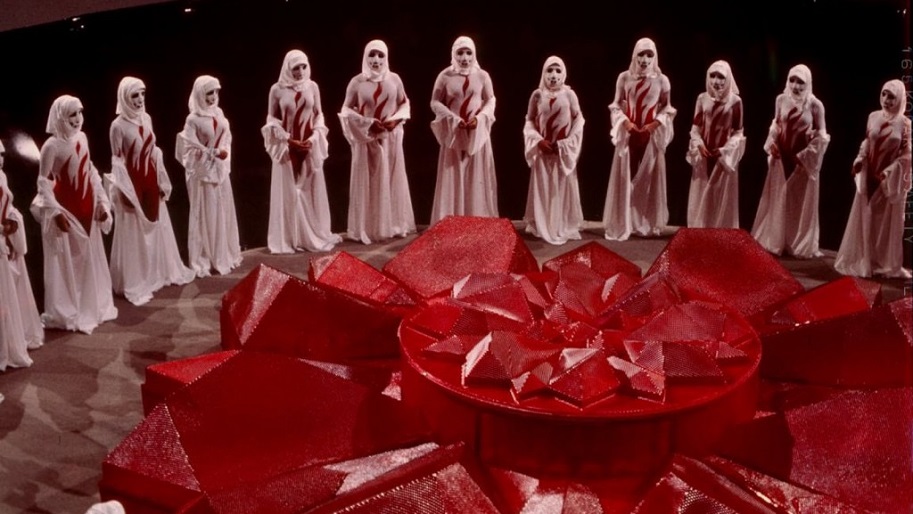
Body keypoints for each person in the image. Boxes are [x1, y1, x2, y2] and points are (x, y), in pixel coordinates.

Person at [31, 95, 117, 333]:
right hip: (67, 209)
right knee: (72, 259)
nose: (77, 119)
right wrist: (55, 211)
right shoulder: (51, 146)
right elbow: (43, 181)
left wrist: (102, 202)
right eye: (72, 114)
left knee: (89, 255)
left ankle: (93, 303)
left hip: (87, 206)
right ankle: (73, 306)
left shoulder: (83, 137)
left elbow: (90, 170)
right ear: (60, 117)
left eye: (79, 113)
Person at [107, 77, 194, 306]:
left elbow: (154, 151)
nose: (139, 99)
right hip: (133, 183)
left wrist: (161, 180)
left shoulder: (147, 118)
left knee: (157, 226)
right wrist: (124, 190)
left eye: (142, 94)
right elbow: (117, 160)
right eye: (134, 95)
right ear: (125, 97)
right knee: (135, 230)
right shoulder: (117, 126)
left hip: (150, 179)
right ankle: (137, 279)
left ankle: (157, 274)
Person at [262, 49, 341, 254]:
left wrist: (314, 138)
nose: (300, 71)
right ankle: (291, 238)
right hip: (287, 147)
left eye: (303, 66)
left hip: (308, 145)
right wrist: (288, 140)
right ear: (288, 68)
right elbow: (271, 119)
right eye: (296, 68)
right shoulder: (277, 89)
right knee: (290, 191)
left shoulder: (313, 86)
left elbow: (319, 114)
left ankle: (311, 235)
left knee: (308, 189)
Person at [339, 39, 416, 244]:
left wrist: (395, 120)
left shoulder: (395, 79)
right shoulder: (357, 82)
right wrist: (367, 123)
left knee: (390, 177)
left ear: (386, 57)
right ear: (366, 57)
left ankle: (392, 224)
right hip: (367, 140)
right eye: (372, 54)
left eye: (380, 55)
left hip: (390, 138)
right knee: (369, 179)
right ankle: (368, 227)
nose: (376, 59)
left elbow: (404, 104)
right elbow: (346, 109)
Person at [834, 79, 912, 278]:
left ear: (900, 99)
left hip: (887, 180)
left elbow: (907, 155)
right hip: (869, 175)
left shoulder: (905, 124)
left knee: (883, 222)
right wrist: (859, 159)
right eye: (884, 94)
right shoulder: (873, 116)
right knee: (866, 218)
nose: (886, 100)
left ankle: (881, 261)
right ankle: (865, 260)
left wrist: (889, 172)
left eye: (891, 96)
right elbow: (867, 142)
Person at [751, 64, 829, 258]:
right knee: (779, 198)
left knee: (798, 202)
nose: (795, 86)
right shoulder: (781, 99)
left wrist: (806, 156)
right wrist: (772, 142)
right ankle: (777, 239)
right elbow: (776, 125)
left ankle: (797, 242)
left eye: (800, 82)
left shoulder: (815, 105)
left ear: (808, 83)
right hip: (781, 158)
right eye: (792, 80)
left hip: (802, 162)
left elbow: (822, 135)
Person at [602, 37, 676, 241]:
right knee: (627, 177)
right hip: (629, 135)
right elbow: (616, 104)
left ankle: (645, 223)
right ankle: (625, 221)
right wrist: (626, 123)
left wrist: (653, 125)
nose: (645, 59)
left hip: (650, 137)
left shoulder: (662, 80)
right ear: (635, 55)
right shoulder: (624, 77)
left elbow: (667, 108)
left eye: (649, 55)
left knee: (648, 180)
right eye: (641, 54)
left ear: (655, 57)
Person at [176, 75, 242, 277]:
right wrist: (209, 153)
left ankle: (224, 253)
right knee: (207, 213)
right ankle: (205, 258)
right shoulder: (193, 119)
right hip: (204, 174)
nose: (213, 96)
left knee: (223, 210)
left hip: (220, 170)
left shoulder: (219, 113)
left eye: (215, 92)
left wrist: (223, 151)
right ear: (199, 94)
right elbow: (187, 148)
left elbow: (227, 138)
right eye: (209, 93)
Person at [429, 35, 498, 225]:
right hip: (454, 134)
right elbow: (435, 102)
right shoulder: (445, 76)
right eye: (460, 53)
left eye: (468, 52)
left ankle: (476, 222)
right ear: (453, 54)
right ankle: (453, 222)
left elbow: (491, 100)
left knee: (476, 177)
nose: (465, 57)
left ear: (474, 53)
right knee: (453, 173)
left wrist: (479, 118)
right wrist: (453, 119)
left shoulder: (483, 76)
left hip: (477, 134)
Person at [522, 55, 585, 245]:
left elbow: (578, 120)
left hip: (561, 153)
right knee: (543, 188)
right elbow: (529, 121)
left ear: (563, 73)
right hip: (543, 151)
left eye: (558, 70)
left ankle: (560, 224)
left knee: (561, 188)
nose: (553, 75)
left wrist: (566, 144)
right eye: (549, 70)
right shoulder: (537, 95)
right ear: (544, 73)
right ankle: (542, 224)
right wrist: (537, 140)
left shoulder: (569, 95)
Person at [685, 60, 745, 228]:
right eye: (713, 76)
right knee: (702, 191)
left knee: (720, 194)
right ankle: (700, 228)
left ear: (728, 79)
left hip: (723, 157)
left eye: (721, 77)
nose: (716, 81)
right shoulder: (702, 98)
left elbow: (738, 131)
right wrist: (699, 144)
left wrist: (726, 150)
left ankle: (720, 231)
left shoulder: (735, 101)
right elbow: (695, 127)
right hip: (704, 153)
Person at [1, 139, 43, 371]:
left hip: (7, 240)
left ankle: (11, 342)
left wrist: (12, 222)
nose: (0, 159)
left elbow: (7, 207)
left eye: (1, 155)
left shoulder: (2, 177)